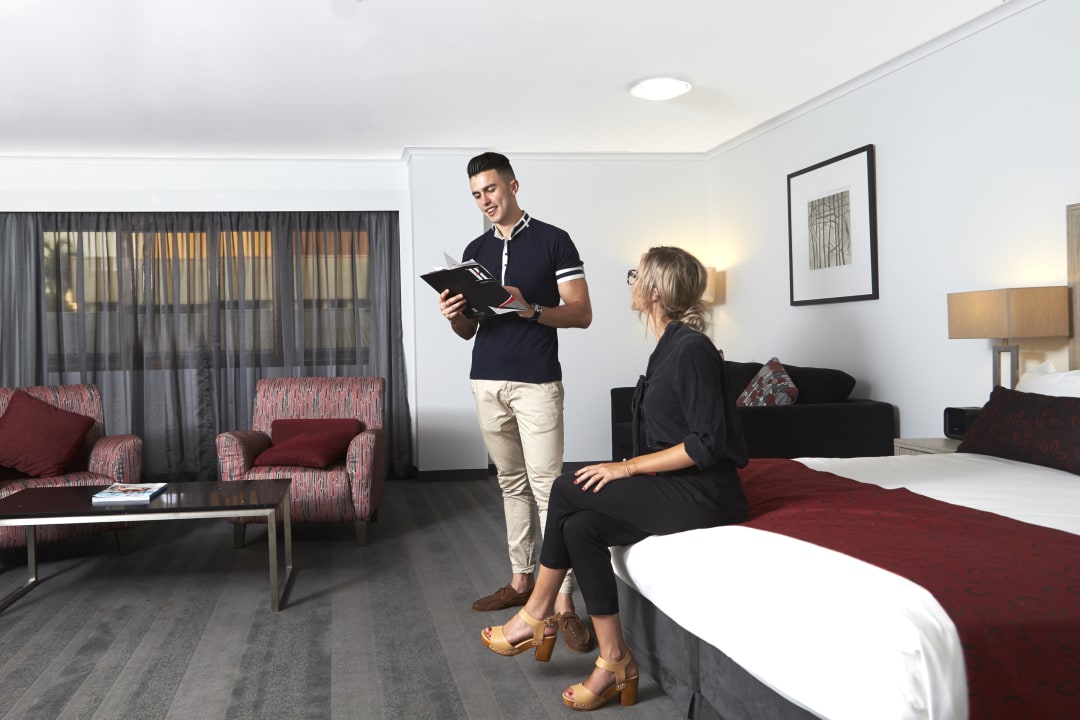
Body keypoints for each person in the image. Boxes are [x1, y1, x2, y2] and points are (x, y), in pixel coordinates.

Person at [480, 246, 749, 711]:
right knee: (581, 527)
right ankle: (614, 659)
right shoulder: (668, 346)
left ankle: (537, 611)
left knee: (565, 487)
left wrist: (624, 469)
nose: (631, 283)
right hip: (674, 485)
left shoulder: (692, 349)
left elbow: (707, 443)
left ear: (655, 291)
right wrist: (627, 473)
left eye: (635, 275)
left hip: (707, 493)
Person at [438, 151, 595, 653]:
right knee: (510, 482)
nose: (485, 200)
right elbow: (467, 331)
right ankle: (521, 581)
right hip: (486, 379)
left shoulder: (554, 240)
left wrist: (531, 309)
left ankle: (564, 602)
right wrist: (454, 314)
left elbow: (581, 313)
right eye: (476, 194)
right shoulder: (475, 249)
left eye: (490, 189)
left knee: (550, 490)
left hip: (536, 382)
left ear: (513, 185)